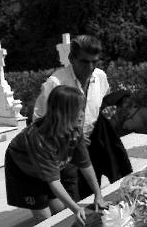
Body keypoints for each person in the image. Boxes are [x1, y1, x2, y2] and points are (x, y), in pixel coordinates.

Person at [5, 85, 110, 225]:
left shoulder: (74, 129)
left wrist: (98, 195)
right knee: (45, 217)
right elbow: (53, 181)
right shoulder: (40, 140)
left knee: (60, 208)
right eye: (77, 110)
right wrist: (76, 208)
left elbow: (86, 164)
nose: (82, 114)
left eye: (82, 109)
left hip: (47, 167)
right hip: (25, 171)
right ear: (62, 113)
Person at [33, 34, 110, 201]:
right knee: (69, 202)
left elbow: (100, 105)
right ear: (71, 58)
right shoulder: (55, 83)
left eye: (95, 62)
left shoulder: (101, 76)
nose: (90, 67)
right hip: (63, 151)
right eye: (84, 61)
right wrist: (70, 137)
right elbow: (39, 123)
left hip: (90, 145)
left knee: (91, 196)